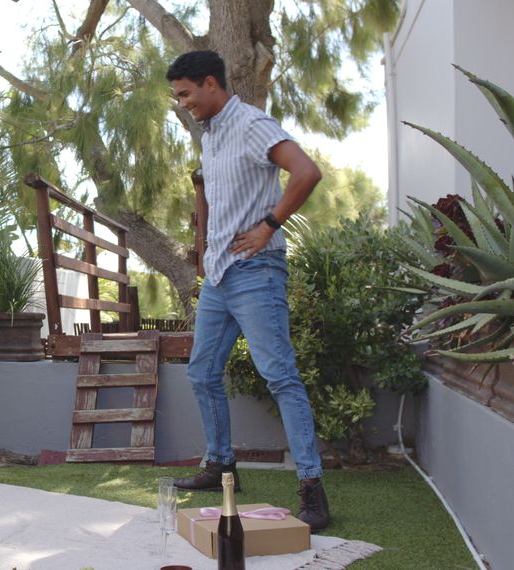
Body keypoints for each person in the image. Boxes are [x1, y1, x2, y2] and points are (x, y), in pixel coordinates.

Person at [165, 50, 329, 532]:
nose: (183, 104)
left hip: (256, 270)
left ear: (211, 83)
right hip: (218, 276)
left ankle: (312, 486)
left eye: (186, 94)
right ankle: (220, 465)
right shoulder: (210, 136)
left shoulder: (253, 124)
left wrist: (268, 225)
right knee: (201, 372)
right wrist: (206, 254)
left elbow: (307, 172)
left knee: (280, 374)